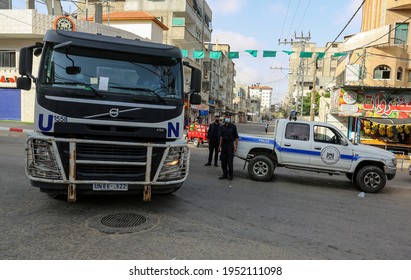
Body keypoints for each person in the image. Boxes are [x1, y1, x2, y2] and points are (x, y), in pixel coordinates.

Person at [218, 114, 239, 180]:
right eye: (226, 117)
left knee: (230, 162)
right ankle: (225, 174)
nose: (227, 118)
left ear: (230, 119)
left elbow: (236, 138)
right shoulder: (222, 127)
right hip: (223, 145)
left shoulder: (233, 127)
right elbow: (221, 137)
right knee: (223, 162)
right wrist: (219, 146)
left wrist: (235, 147)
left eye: (228, 117)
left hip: (230, 145)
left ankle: (231, 175)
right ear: (225, 119)